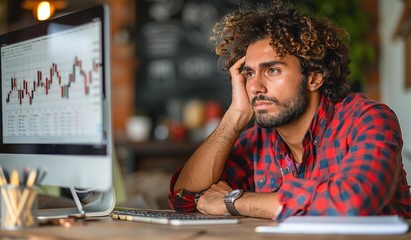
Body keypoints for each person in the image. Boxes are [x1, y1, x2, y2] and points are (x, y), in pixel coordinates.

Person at [168, 0, 411, 220]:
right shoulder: (259, 141)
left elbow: (350, 202)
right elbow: (186, 197)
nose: (254, 86)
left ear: (314, 79)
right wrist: (234, 118)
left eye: (272, 70)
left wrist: (234, 201)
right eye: (249, 73)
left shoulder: (367, 120)